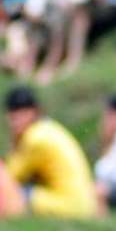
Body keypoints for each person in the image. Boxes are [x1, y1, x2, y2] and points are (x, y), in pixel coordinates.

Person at [4, 86, 96, 218]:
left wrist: (14, 143)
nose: (15, 123)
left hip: (70, 208)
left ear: (34, 112)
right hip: (85, 205)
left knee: (11, 193)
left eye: (18, 117)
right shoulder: (49, 128)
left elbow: (10, 177)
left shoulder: (35, 138)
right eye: (13, 118)